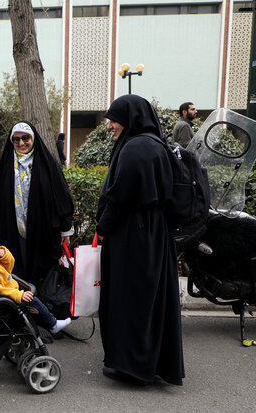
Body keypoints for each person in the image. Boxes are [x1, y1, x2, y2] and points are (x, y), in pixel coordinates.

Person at [96, 94, 184, 386]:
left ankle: (132, 365)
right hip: (152, 234)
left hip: (134, 236)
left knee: (130, 298)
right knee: (150, 298)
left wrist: (103, 228)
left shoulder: (137, 148)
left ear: (131, 118)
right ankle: (148, 361)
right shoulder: (154, 144)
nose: (110, 126)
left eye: (115, 119)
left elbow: (120, 198)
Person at [0, 121, 74, 286]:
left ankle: (40, 307)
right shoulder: (6, 166)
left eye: (26, 138)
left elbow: (61, 197)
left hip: (43, 230)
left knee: (42, 274)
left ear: (33, 139)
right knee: (16, 270)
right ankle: (19, 307)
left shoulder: (47, 164)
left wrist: (65, 228)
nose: (21, 143)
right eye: (16, 139)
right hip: (12, 230)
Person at [0, 232, 71, 335]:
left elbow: (9, 266)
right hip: (10, 297)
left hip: (14, 290)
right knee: (34, 301)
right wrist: (19, 295)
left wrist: (4, 254)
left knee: (33, 300)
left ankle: (45, 321)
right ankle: (53, 324)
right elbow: (0, 290)